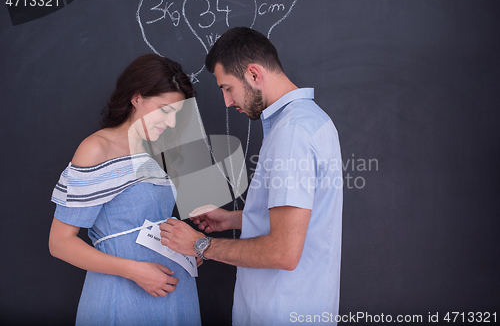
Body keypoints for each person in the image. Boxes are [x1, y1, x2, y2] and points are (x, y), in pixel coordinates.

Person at [160, 27, 343, 325]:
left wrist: (199, 244)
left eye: (227, 88)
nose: (227, 102)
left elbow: (282, 252)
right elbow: (300, 219)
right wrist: (232, 219)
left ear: (254, 74)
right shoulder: (311, 121)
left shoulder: (292, 134)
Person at [48, 54, 202, 326]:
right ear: (137, 97)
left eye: (177, 115)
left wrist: (186, 247)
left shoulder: (160, 150)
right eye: (164, 110)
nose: (171, 123)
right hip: (123, 294)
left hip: (175, 291)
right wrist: (134, 271)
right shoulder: (97, 149)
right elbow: (60, 243)